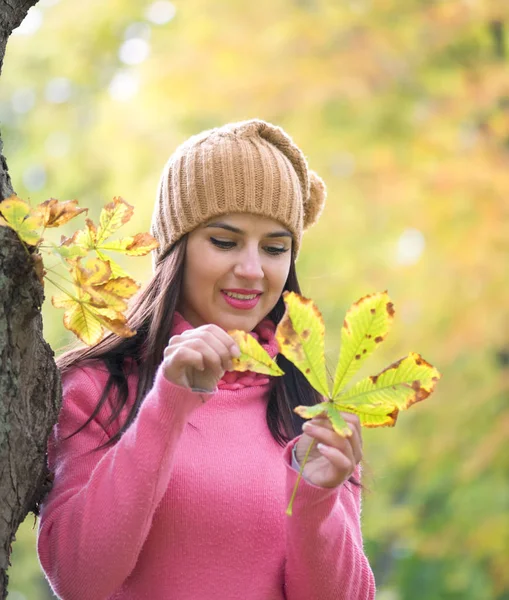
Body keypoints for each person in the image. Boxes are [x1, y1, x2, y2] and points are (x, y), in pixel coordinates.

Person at [37, 119, 376, 599]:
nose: (253, 270)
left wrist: (316, 500)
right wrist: (168, 403)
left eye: (276, 248)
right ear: (177, 249)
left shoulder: (313, 407)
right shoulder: (97, 386)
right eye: (224, 241)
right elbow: (78, 578)